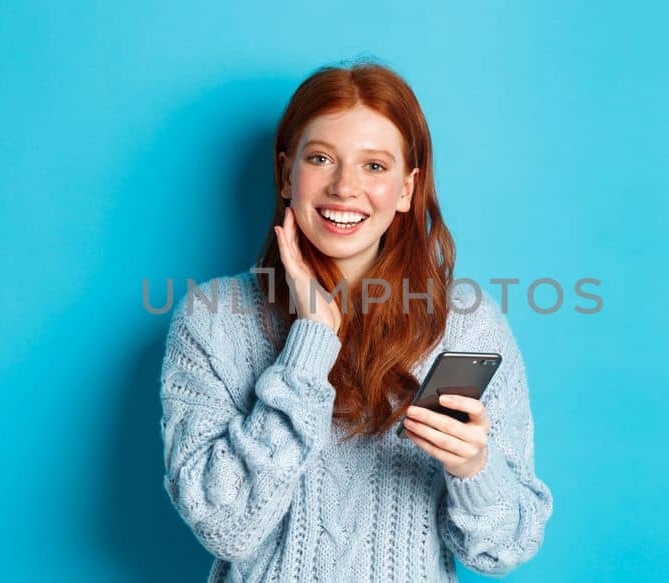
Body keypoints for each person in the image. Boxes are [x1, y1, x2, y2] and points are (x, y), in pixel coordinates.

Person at [159, 60, 553, 582]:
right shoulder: (211, 320)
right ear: (285, 173)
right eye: (321, 158)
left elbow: (505, 549)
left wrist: (472, 468)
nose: (345, 187)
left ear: (408, 189)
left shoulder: (467, 324)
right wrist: (311, 343)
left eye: (374, 166)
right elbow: (225, 526)